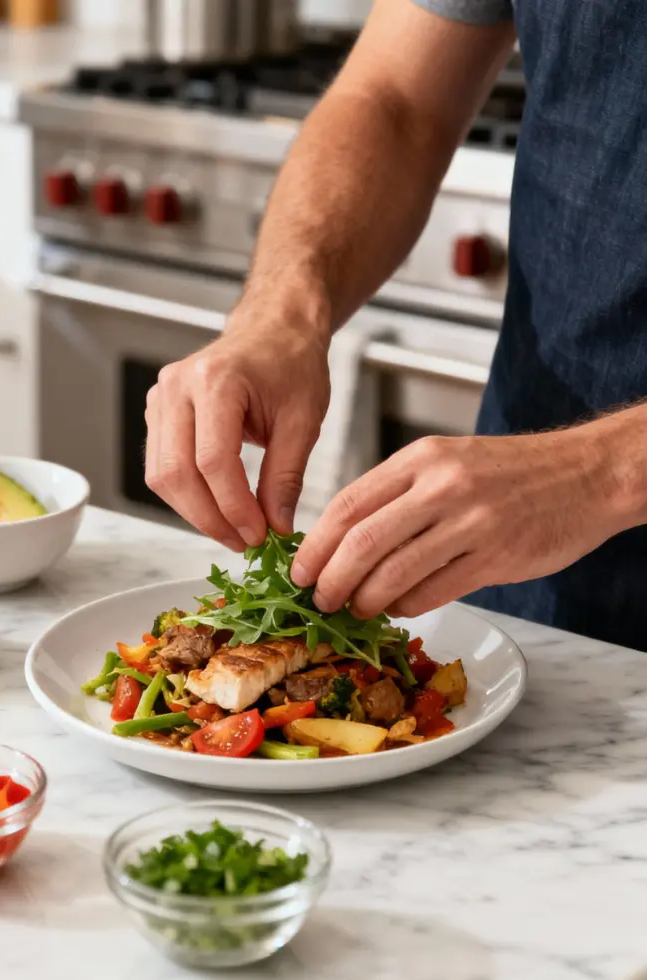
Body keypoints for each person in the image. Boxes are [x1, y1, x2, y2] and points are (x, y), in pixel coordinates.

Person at [144, 0, 647, 650]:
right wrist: (280, 312)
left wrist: (603, 470)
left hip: (558, 491)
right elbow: (396, 99)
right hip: (535, 557)